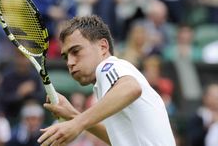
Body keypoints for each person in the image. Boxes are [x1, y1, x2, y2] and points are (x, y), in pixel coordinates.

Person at [37, 15, 176, 146]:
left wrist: (77, 123)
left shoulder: (108, 67)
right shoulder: (107, 85)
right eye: (65, 57)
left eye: (76, 51)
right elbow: (118, 141)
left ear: (103, 47)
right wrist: (73, 115)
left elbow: (132, 88)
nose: (70, 62)